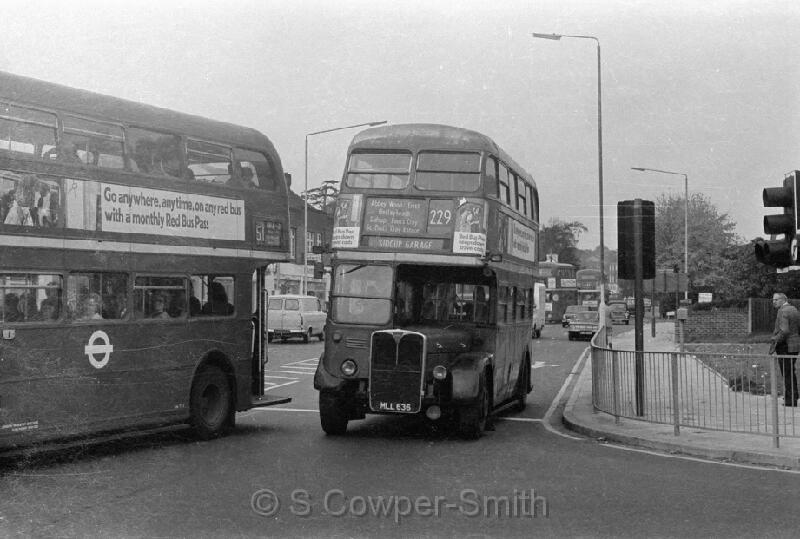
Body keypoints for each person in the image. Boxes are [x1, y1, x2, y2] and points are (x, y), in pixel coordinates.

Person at [769, 292, 800, 407]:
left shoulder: (782, 311)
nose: (773, 302)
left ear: (783, 300)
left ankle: (790, 400)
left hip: (785, 346)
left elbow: (785, 331)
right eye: (773, 300)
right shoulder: (794, 309)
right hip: (795, 345)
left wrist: (775, 340)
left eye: (775, 300)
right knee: (790, 372)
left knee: (787, 373)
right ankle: (793, 397)